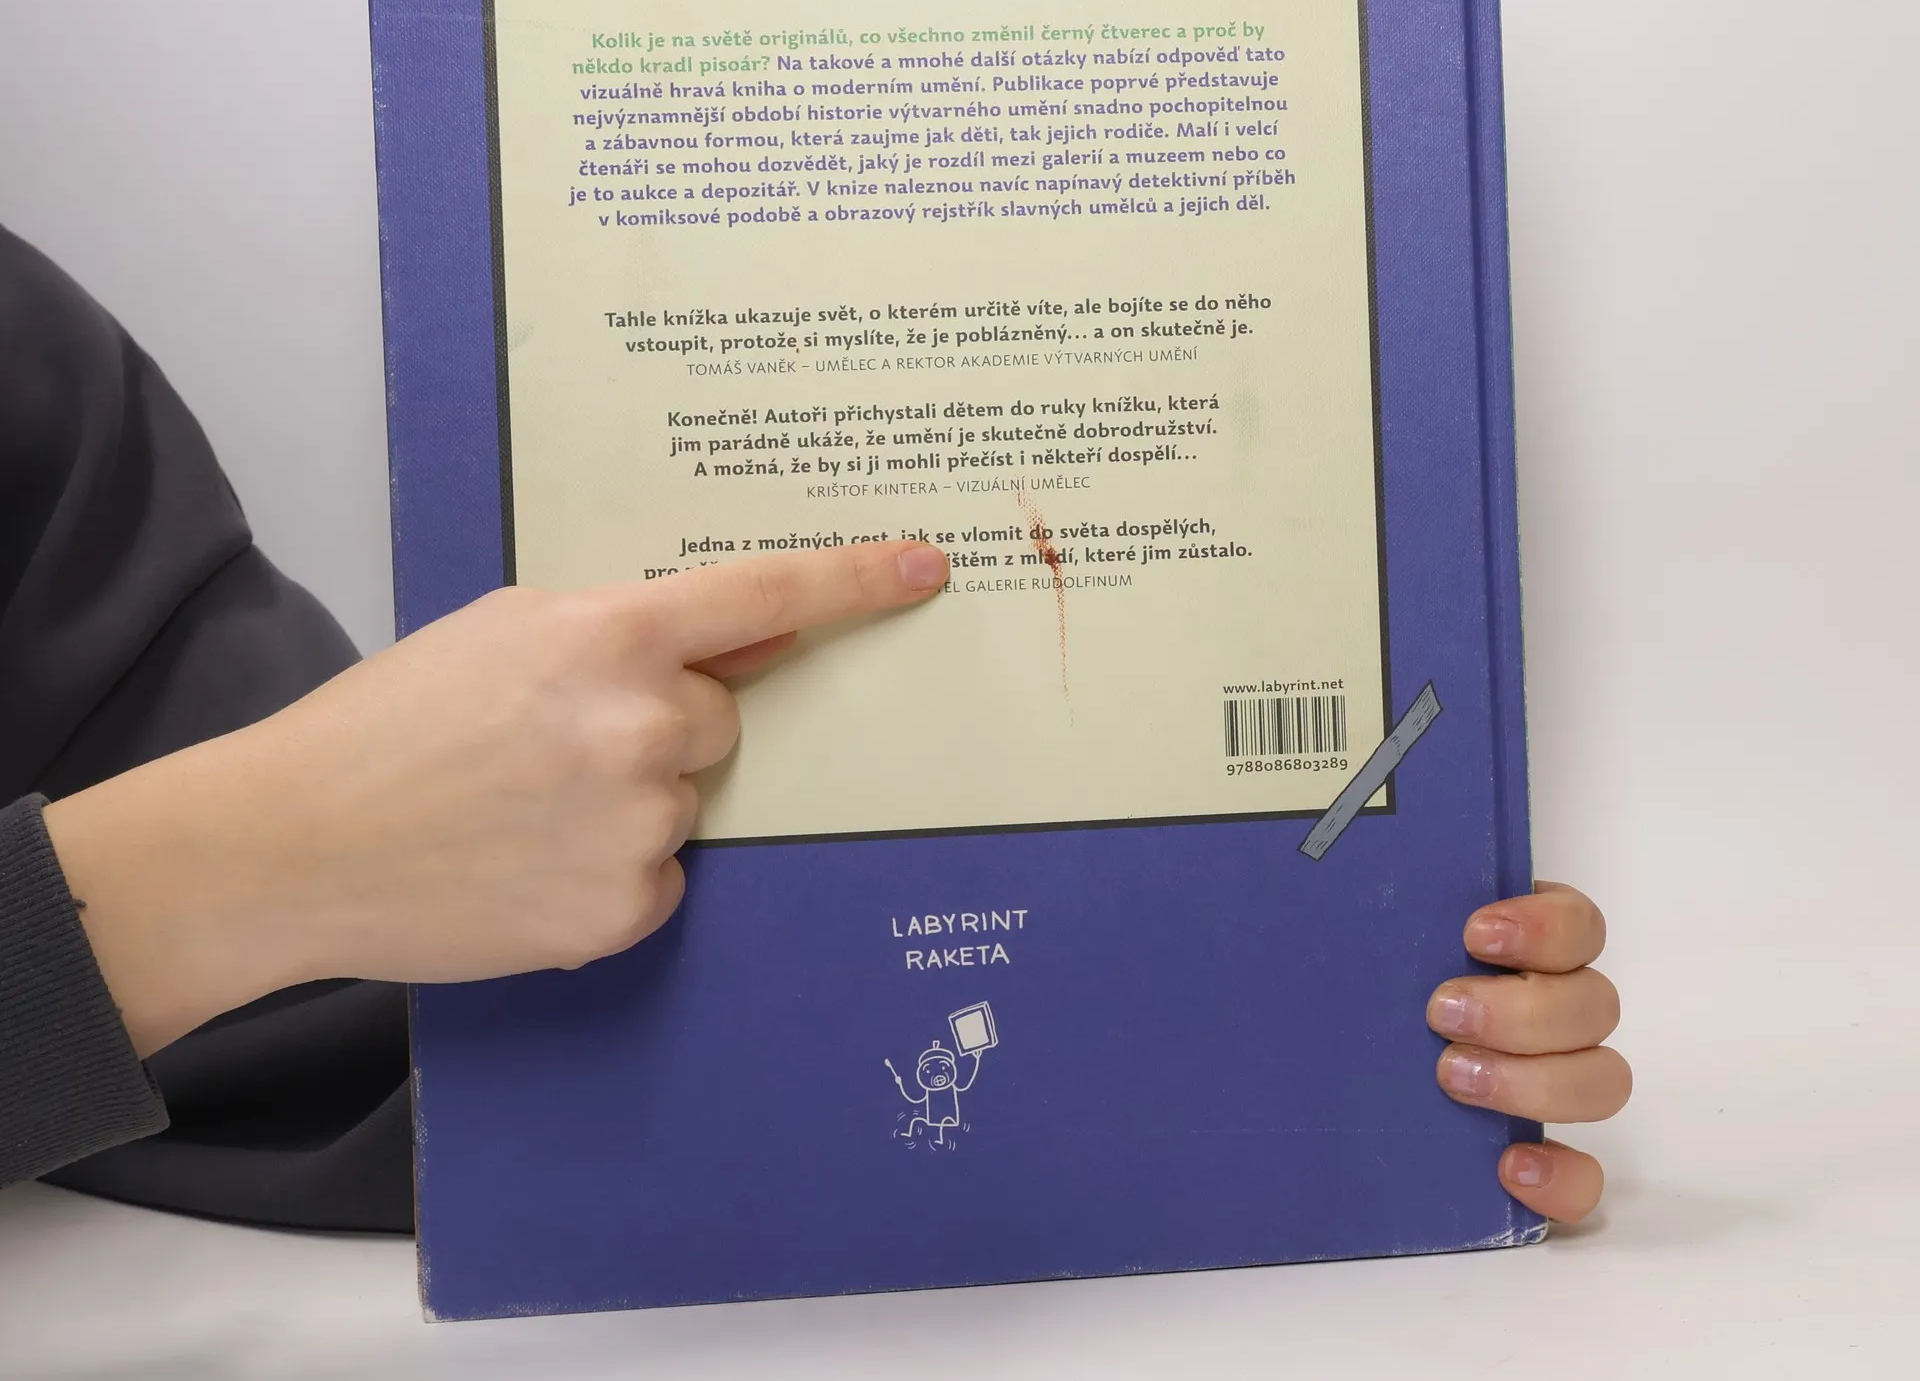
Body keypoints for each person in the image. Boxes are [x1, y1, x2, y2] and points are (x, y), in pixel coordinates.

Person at [0, 223, 1630, 1229]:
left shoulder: (32, 391)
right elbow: (293, 897)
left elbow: (375, 1044)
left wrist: (1335, 1046)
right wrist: (231, 875)